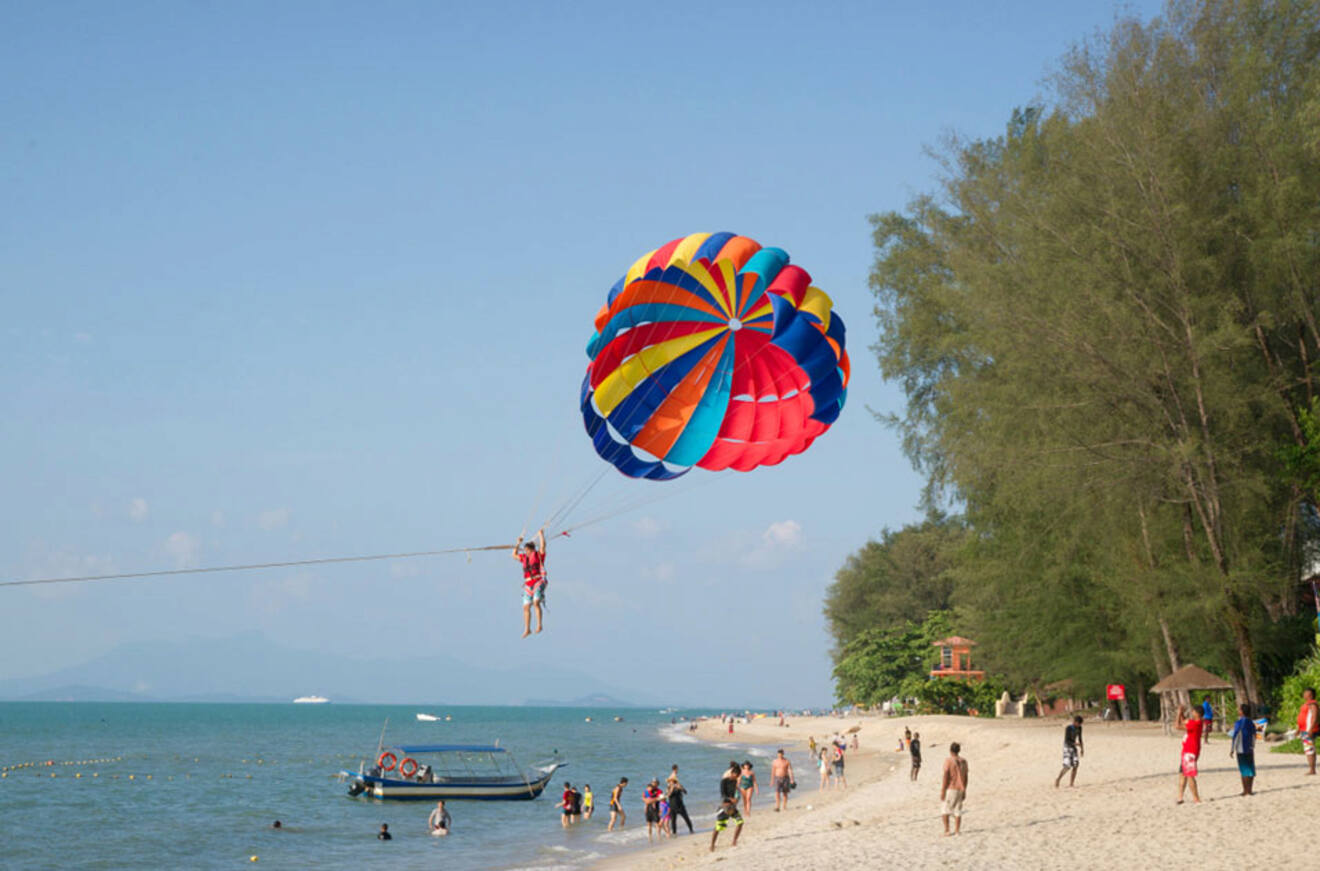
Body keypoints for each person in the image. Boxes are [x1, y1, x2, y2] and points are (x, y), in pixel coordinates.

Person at [511, 528, 547, 638]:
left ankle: (539, 625)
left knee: (536, 603)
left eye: (527, 550)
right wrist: (518, 543)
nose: (525, 552)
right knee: (526, 607)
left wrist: (541, 535)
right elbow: (514, 555)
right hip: (528, 584)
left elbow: (543, 547)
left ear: (531, 549)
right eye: (525, 550)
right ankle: (527, 629)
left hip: (538, 581)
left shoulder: (538, 555)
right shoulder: (524, 558)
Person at [1176, 703, 1204, 804]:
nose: (1192, 713)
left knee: (1189, 775)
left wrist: (1178, 714)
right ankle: (1180, 797)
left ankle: (1196, 798)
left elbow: (1178, 726)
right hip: (1190, 750)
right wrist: (1181, 713)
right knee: (1182, 774)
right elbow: (1184, 721)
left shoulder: (1195, 723)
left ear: (1197, 713)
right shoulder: (1198, 722)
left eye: (1193, 711)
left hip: (1190, 751)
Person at [940, 742, 969, 836]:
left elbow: (946, 776)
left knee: (945, 810)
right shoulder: (964, 761)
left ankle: (947, 830)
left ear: (950, 750)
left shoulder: (948, 761)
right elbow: (966, 776)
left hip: (951, 788)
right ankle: (957, 830)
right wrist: (964, 789)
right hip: (961, 788)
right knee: (958, 810)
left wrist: (943, 790)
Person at [1228, 702, 1256, 796]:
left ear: (1242, 712)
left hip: (1241, 749)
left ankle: (1245, 790)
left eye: (1239, 709)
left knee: (1243, 769)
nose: (1238, 711)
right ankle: (1250, 790)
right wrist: (1252, 745)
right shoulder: (1251, 722)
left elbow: (1235, 736)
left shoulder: (1239, 722)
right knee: (1250, 769)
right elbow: (1254, 735)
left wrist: (1232, 749)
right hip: (1250, 748)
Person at [1054, 715, 1085, 788]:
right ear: (1075, 722)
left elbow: (1080, 738)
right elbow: (1067, 740)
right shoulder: (1069, 728)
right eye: (1077, 723)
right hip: (1067, 747)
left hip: (1074, 746)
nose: (1078, 725)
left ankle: (1071, 783)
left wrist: (1082, 749)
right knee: (1067, 766)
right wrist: (1075, 744)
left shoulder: (1079, 728)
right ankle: (1058, 779)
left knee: (1076, 764)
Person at [1298, 687, 1318, 775]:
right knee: (1309, 749)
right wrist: (1298, 729)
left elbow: (1315, 717)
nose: (1304, 694)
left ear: (1310, 695)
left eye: (1305, 693)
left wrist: (1310, 729)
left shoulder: (1312, 704)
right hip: (1304, 729)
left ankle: (1312, 769)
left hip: (1308, 730)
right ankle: (1312, 769)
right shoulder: (1307, 704)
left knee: (1309, 749)